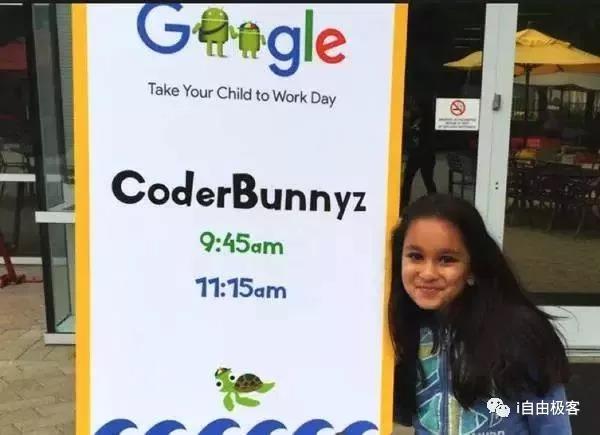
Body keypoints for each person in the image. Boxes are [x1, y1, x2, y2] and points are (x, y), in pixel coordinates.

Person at [389, 194, 572, 434]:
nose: (428, 273)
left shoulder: (520, 332)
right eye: (416, 256)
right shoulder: (398, 328)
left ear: (473, 268)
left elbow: (552, 421)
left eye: (446, 259)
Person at [401, 99, 438, 210]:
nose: (413, 109)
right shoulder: (416, 119)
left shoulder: (427, 122)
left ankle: (434, 201)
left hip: (423, 154)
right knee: (413, 179)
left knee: (425, 179)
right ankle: (404, 201)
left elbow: (425, 138)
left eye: (416, 107)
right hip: (419, 154)